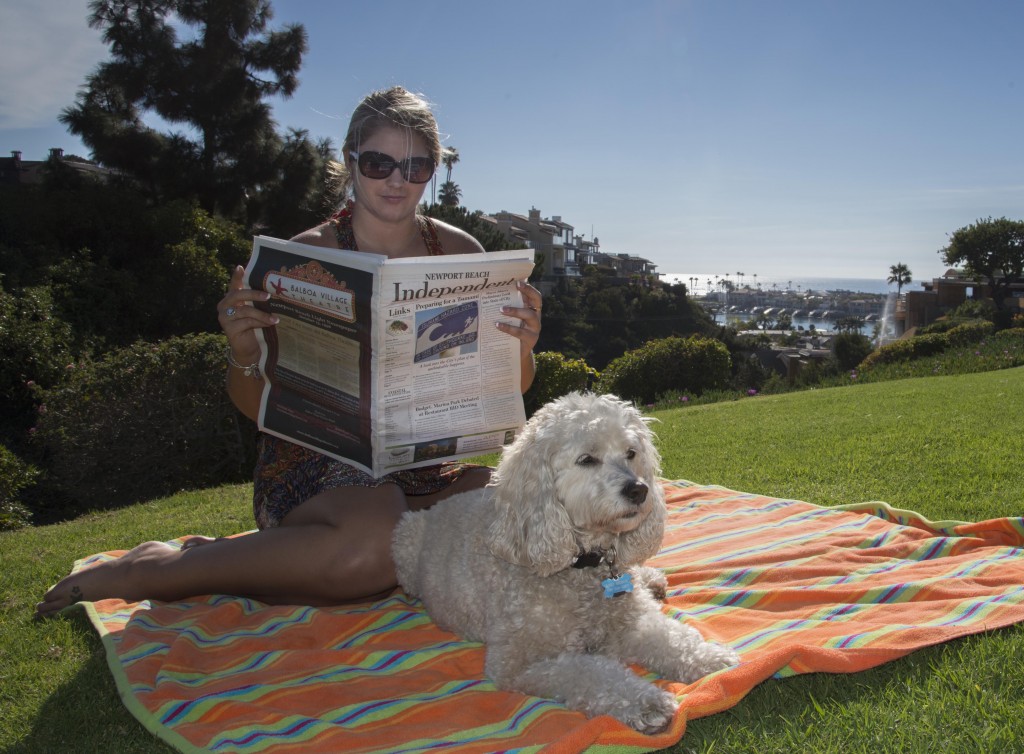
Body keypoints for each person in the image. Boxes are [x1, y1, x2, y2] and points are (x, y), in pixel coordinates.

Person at [36, 86, 542, 617]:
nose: (397, 180)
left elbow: (509, 387)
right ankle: (160, 570)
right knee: (375, 544)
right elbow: (256, 405)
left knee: (521, 518)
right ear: (350, 161)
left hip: (422, 470)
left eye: (416, 167)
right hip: (319, 470)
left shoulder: (462, 253)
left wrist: (522, 349)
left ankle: (290, 562)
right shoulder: (306, 256)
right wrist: (242, 348)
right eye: (378, 162)